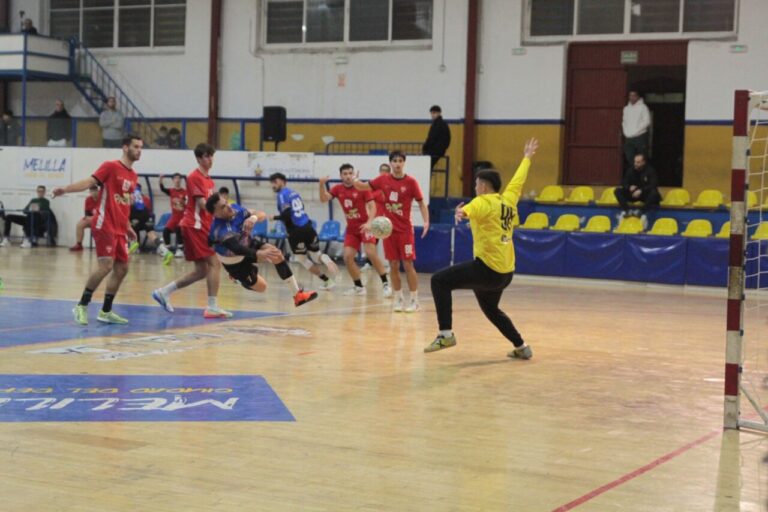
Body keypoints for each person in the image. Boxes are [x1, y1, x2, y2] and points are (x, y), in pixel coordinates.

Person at [424, 138, 538, 359]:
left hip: (487, 269)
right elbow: (518, 180)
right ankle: (521, 346)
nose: (475, 188)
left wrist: (461, 213)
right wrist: (527, 157)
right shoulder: (508, 200)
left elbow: (471, 208)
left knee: (439, 281)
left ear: (483, 186)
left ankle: (445, 333)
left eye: (476, 184)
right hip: (506, 273)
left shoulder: (483, 201)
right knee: (492, 310)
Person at [52, 134, 143, 325]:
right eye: (135, 146)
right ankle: (82, 305)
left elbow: (124, 203)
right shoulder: (110, 166)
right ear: (125, 148)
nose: (139, 150)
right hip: (104, 224)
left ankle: (106, 311)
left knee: (123, 268)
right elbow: (88, 182)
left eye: (141, 147)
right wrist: (65, 189)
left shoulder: (133, 175)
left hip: (120, 228)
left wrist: (128, 227)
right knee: (106, 265)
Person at [152, 143, 231, 319]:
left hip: (201, 226)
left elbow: (210, 207)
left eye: (211, 156)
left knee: (202, 270)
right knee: (214, 264)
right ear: (198, 159)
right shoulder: (194, 177)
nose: (210, 159)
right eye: (206, 156)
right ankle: (212, 306)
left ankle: (163, 292)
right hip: (194, 225)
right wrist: (223, 209)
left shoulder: (209, 180)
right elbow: (203, 204)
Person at [206, 192, 318, 307]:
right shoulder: (220, 230)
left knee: (276, 254)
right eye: (223, 207)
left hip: (248, 243)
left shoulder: (235, 209)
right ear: (215, 214)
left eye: (226, 202)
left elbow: (262, 214)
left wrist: (253, 218)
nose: (228, 206)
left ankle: (298, 296)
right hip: (235, 261)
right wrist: (259, 253)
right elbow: (237, 249)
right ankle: (238, 279)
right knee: (262, 287)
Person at [353, 151, 430, 312]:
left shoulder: (411, 182)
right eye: (394, 160)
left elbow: (422, 203)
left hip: (405, 231)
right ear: (390, 163)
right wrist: (355, 179)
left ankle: (414, 301)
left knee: (408, 264)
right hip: (389, 231)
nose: (397, 163)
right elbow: (362, 187)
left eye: (400, 161)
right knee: (393, 265)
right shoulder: (383, 180)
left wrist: (426, 221)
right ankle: (398, 298)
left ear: (404, 163)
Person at [319, 164, 391, 297]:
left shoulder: (361, 187)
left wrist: (369, 223)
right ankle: (359, 287)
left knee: (371, 253)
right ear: (341, 176)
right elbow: (323, 199)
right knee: (347, 257)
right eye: (345, 174)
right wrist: (321, 185)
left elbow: (372, 206)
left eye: (350, 173)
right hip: (352, 229)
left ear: (354, 174)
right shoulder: (337, 189)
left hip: (365, 226)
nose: (348, 176)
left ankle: (386, 283)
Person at [268, 172, 339, 290]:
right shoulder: (295, 193)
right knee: (316, 255)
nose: (273, 185)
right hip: (308, 227)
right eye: (272, 183)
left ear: (283, 181)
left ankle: (327, 280)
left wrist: (273, 217)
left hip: (295, 231)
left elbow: (286, 215)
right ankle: (326, 260)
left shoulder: (282, 195)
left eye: (275, 182)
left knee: (301, 258)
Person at [614, 153, 661, 226]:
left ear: (643, 162)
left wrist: (641, 190)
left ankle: (641, 211)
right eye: (635, 162)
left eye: (638, 162)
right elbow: (623, 182)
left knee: (654, 193)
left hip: (645, 195)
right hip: (633, 194)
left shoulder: (650, 171)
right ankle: (627, 210)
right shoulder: (631, 170)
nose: (635, 164)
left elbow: (653, 185)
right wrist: (628, 187)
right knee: (618, 191)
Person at [157, 173, 186, 262]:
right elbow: (162, 189)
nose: (177, 180)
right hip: (174, 217)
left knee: (178, 229)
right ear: (173, 180)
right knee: (166, 231)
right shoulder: (171, 191)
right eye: (175, 178)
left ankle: (180, 249)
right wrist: (161, 179)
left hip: (182, 217)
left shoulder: (185, 192)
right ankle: (168, 250)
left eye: (179, 178)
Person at [622, 90, 651, 170]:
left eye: (634, 95)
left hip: (640, 137)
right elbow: (624, 122)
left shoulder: (643, 107)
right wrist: (626, 132)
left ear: (638, 97)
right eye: (630, 95)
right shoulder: (626, 109)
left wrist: (636, 131)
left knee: (641, 159)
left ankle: (643, 177)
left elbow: (647, 121)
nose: (632, 97)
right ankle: (633, 177)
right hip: (629, 138)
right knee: (630, 158)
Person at [129, 183, 159, 252]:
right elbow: (149, 210)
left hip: (136, 214)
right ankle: (163, 249)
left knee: (130, 227)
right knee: (151, 234)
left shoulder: (130, 192)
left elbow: (131, 202)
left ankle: (135, 247)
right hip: (147, 214)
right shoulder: (142, 197)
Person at [69, 184, 100, 251]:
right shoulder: (88, 200)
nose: (94, 192)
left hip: (101, 219)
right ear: (90, 192)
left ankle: (101, 245)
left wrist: (94, 218)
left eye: (95, 190)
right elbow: (87, 214)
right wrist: (90, 218)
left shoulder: (102, 199)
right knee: (79, 224)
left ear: (98, 191)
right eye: (92, 191)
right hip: (92, 219)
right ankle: (79, 244)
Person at [422, 105, 451, 170]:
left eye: (434, 113)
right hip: (439, 151)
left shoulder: (437, 125)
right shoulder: (443, 124)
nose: (432, 115)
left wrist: (425, 148)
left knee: (426, 167)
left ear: (439, 113)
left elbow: (431, 138)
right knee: (428, 167)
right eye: (432, 113)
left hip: (434, 151)